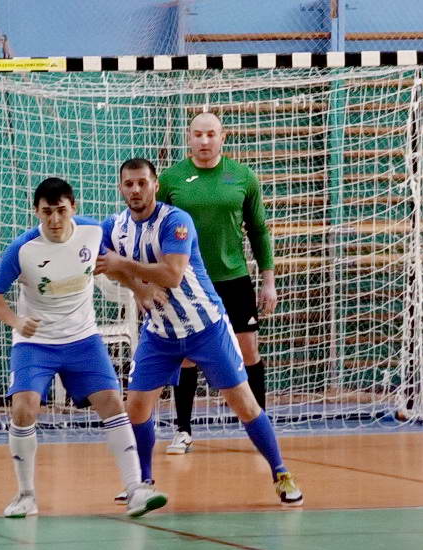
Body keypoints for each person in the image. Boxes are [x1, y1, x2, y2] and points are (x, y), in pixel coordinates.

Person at [96, 158, 302, 507]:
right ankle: (143, 482)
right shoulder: (114, 227)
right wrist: (138, 288)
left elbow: (172, 274)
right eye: (129, 184)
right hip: (160, 333)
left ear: (156, 185)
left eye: (142, 183)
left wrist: (125, 265)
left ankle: (281, 472)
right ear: (121, 188)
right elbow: (103, 262)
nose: (136, 190)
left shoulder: (176, 221)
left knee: (244, 404)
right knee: (137, 407)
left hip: (205, 327)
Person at [0, 177, 167, 519]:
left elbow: (113, 266)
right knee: (24, 408)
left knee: (113, 402)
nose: (54, 219)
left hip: (83, 339)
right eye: (47, 212)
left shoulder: (93, 232)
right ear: (36, 212)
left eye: (61, 210)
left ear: (73, 208)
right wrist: (16, 321)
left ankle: (135, 490)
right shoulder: (23, 249)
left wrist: (139, 289)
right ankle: (25, 495)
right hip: (36, 343)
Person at [157, 112, 275, 455]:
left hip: (233, 279)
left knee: (248, 350)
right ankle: (183, 430)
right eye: (198, 134)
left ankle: (260, 426)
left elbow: (259, 231)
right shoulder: (171, 179)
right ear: (189, 137)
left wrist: (268, 280)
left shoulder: (243, 177)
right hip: (187, 281)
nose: (204, 141)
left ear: (223, 137)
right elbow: (156, 231)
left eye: (211, 134)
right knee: (187, 356)